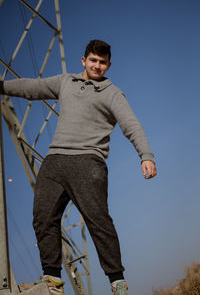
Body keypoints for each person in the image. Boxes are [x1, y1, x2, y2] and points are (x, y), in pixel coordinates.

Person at [0, 39, 157, 295]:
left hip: (88, 163)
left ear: (108, 65)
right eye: (93, 60)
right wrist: (2, 86)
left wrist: (146, 155)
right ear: (83, 60)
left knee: (98, 222)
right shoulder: (66, 82)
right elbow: (32, 87)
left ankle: (117, 281)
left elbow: (132, 125)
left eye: (102, 62)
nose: (97, 66)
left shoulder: (112, 93)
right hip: (54, 162)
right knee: (43, 218)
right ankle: (51, 279)